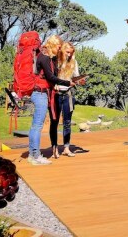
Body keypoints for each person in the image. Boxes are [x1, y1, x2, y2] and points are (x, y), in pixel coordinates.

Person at [28, 35, 76, 165]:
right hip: (40, 93)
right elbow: (50, 77)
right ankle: (35, 155)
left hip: (41, 93)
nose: (59, 49)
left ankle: (33, 154)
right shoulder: (44, 58)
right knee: (37, 126)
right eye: (59, 47)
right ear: (53, 45)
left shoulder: (46, 57)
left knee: (36, 125)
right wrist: (67, 83)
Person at [50, 42, 83, 158]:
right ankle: (54, 147)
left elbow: (76, 77)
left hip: (68, 94)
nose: (69, 55)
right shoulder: (56, 61)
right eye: (67, 52)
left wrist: (80, 81)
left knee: (67, 122)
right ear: (62, 51)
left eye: (71, 53)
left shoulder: (74, 62)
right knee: (54, 122)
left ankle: (66, 148)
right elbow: (51, 77)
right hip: (56, 94)